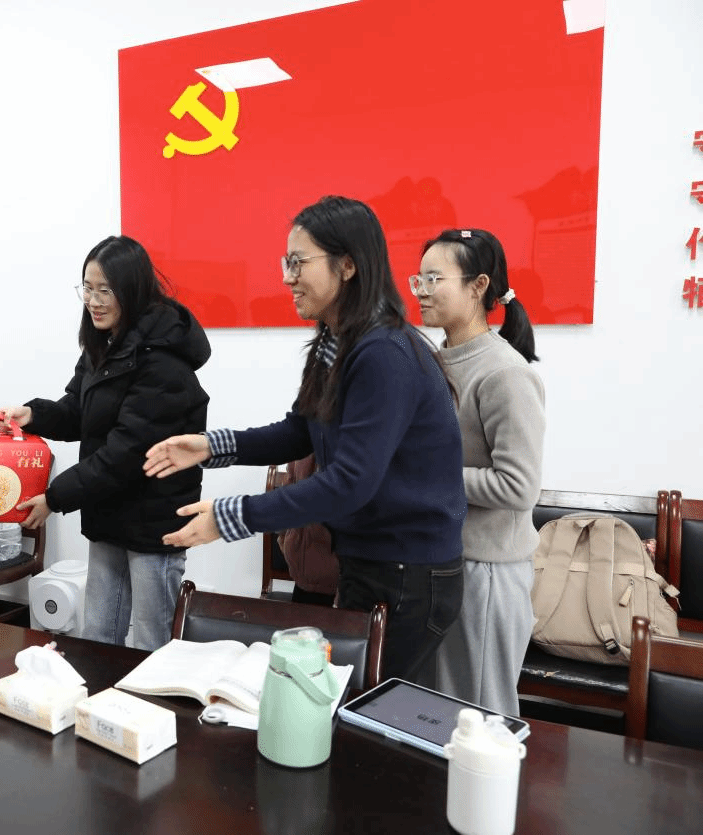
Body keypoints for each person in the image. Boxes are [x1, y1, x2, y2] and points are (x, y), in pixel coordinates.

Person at [144, 195, 467, 682]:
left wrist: (233, 516)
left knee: (370, 710)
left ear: (347, 265)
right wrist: (211, 445)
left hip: (408, 573)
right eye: (286, 263)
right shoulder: (337, 343)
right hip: (370, 561)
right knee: (346, 700)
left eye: (299, 263)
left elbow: (350, 482)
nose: (287, 277)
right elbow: (301, 431)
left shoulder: (384, 353)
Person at [0, 236, 210, 651]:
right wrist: (34, 415)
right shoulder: (106, 344)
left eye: (105, 290)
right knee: (98, 636)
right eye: (87, 288)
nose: (93, 301)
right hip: (110, 514)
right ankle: (100, 695)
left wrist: (54, 497)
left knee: (150, 643)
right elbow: (79, 410)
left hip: (153, 525)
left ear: (131, 290)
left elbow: (126, 452)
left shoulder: (163, 360)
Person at [412, 228, 544, 716]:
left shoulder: (505, 372)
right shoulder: (434, 360)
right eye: (418, 279)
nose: (421, 291)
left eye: (434, 278)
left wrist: (420, 477)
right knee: (434, 717)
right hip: (442, 562)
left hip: (485, 573)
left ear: (478, 285)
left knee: (480, 721)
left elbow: (518, 486)